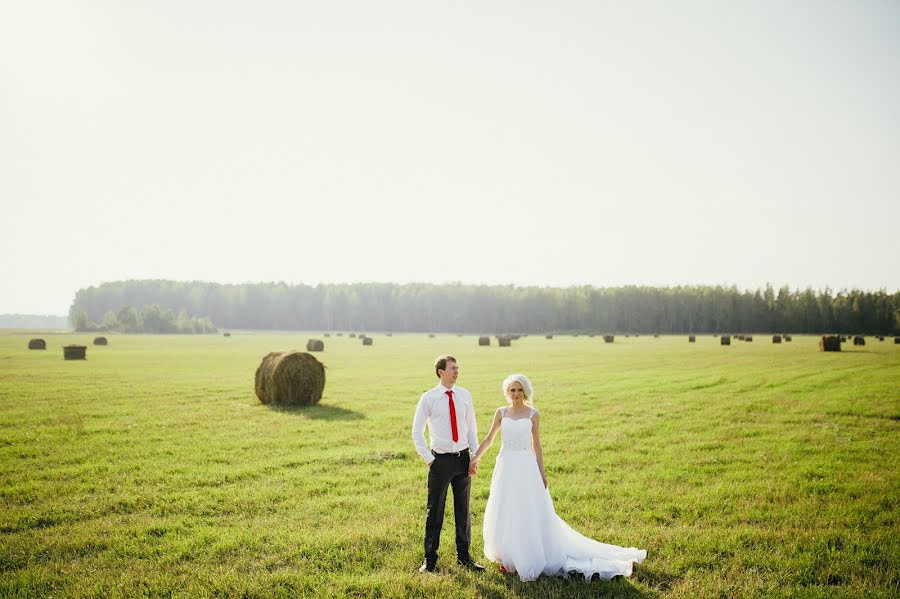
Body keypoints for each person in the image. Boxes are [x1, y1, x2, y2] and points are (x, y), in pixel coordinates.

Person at [469, 373, 646, 582]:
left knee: (527, 509)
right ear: (507, 392)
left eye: (519, 390)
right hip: (506, 465)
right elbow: (490, 439)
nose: (516, 394)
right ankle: (509, 559)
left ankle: (528, 555)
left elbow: (537, 445)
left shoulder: (533, 414)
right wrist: (475, 458)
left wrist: (542, 472)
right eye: (512, 390)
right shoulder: (501, 412)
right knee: (506, 507)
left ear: (525, 391)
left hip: (526, 467)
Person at [411, 355, 485, 573]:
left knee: (463, 510)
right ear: (440, 371)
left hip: (463, 459)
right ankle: (430, 560)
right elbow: (416, 432)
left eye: (457, 368)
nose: (456, 371)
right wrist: (429, 459)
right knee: (435, 511)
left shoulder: (464, 395)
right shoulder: (429, 398)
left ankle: (464, 557)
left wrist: (475, 457)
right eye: (452, 368)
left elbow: (471, 427)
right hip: (440, 462)